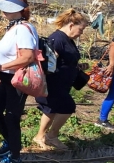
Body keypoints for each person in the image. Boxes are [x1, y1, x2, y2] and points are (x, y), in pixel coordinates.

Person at [0, 0, 38, 163]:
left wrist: (1, 67)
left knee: (12, 117)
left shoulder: (22, 29)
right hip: (7, 78)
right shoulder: (14, 27)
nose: (2, 12)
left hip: (16, 78)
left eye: (6, 8)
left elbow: (28, 56)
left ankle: (15, 158)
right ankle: (10, 143)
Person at [33, 9, 88, 150]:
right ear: (71, 25)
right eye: (81, 29)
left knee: (51, 109)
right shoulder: (57, 39)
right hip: (54, 83)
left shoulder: (68, 40)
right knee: (68, 107)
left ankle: (39, 136)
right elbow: (49, 63)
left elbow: (65, 59)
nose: (81, 33)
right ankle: (52, 136)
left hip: (63, 83)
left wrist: (77, 66)